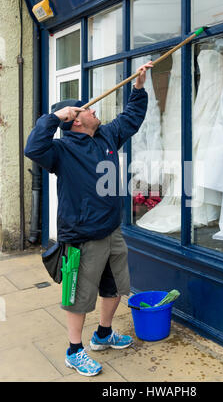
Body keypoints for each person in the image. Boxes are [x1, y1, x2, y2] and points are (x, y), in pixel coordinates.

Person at [24, 61, 152, 376]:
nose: (95, 111)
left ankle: (104, 334)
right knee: (79, 297)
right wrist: (54, 118)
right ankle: (73, 350)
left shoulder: (106, 136)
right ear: (75, 121)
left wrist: (138, 87)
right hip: (81, 237)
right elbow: (32, 147)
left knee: (117, 287)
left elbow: (132, 118)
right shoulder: (60, 151)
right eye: (87, 109)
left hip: (112, 231)